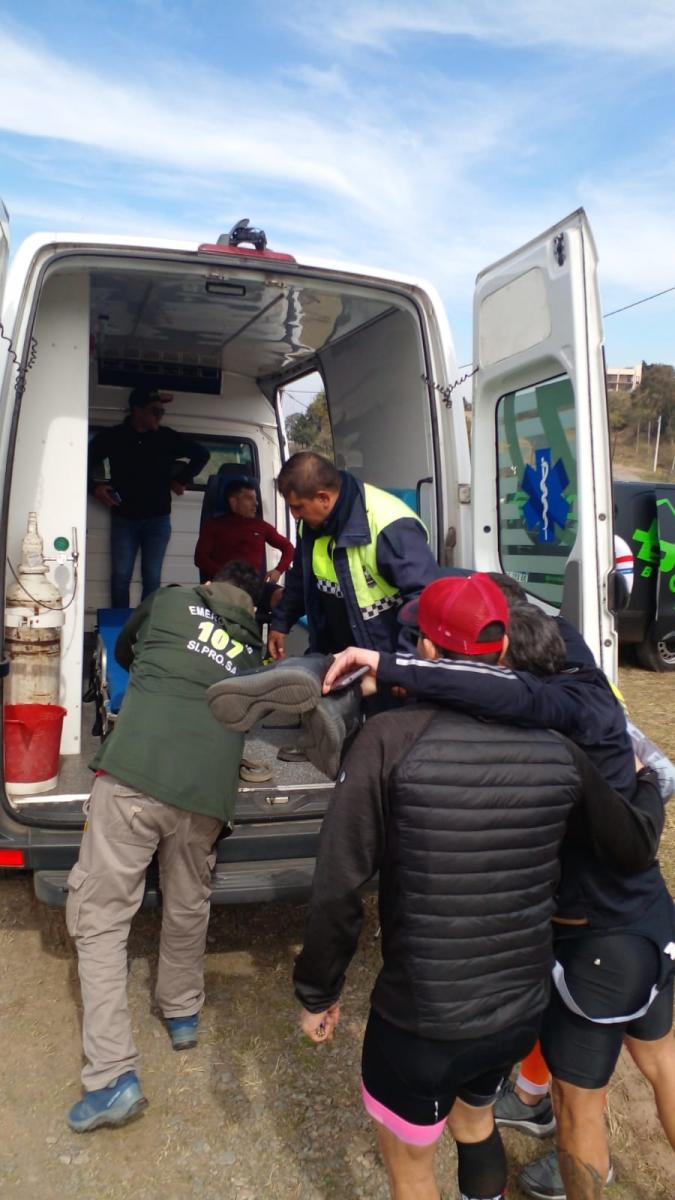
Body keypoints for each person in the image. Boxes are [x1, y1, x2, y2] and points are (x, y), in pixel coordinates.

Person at [293, 575, 664, 1200]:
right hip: (516, 1012)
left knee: (411, 1169)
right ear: (503, 648)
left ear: (429, 652)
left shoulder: (388, 739)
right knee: (474, 1123)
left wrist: (317, 991)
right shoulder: (557, 746)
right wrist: (648, 781)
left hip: (422, 1019)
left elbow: (339, 883)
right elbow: (630, 843)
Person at [65, 561, 263, 1133]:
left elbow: (127, 651)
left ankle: (111, 1078)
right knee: (186, 902)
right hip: (207, 793)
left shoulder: (170, 600)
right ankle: (181, 1012)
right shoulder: (253, 648)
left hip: (133, 773)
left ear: (209, 582)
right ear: (251, 607)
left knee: (101, 919)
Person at [268, 451, 440, 663]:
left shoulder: (390, 525)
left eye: (298, 507)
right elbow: (301, 579)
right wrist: (281, 622)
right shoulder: (311, 525)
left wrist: (403, 665)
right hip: (336, 656)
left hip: (385, 660)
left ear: (323, 498)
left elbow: (426, 600)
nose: (294, 515)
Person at [88, 386, 210, 607]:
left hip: (158, 519)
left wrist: (181, 479)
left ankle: (145, 627)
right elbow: (82, 458)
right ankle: (120, 628)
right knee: (120, 577)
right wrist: (94, 488)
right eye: (155, 411)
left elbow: (202, 454)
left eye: (161, 412)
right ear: (137, 411)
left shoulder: (166, 437)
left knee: (152, 578)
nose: (160, 416)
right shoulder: (114, 437)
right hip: (124, 518)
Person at [194, 478, 294, 616]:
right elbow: (200, 558)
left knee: (284, 598)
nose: (256, 504)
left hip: (254, 586)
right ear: (233, 502)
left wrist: (278, 569)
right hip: (225, 586)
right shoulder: (214, 526)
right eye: (249, 499)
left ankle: (275, 633)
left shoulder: (261, 526)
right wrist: (227, 576)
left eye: (256, 499)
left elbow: (288, 547)